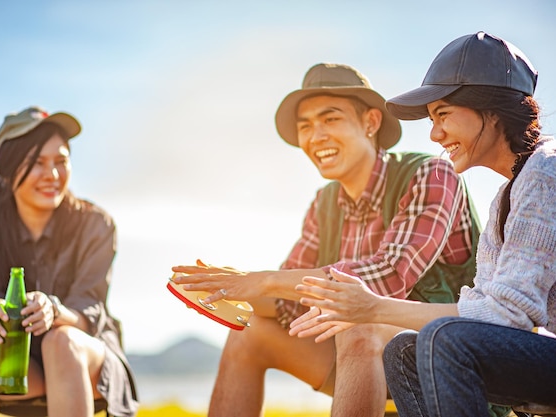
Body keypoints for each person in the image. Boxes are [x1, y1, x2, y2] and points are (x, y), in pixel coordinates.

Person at [171, 63, 481, 417]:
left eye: (330, 119)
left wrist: (265, 280)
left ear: (370, 123)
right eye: (306, 126)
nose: (315, 136)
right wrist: (225, 288)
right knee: (249, 333)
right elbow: (290, 304)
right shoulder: (323, 204)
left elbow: (389, 277)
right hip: (361, 357)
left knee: (358, 320)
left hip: (447, 361)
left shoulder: (430, 173)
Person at [289, 32, 556, 417]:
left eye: (443, 115)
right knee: (405, 350)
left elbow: (508, 317)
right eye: (432, 119)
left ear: (491, 109)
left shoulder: (545, 171)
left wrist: (374, 307)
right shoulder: (506, 197)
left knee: (444, 339)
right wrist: (371, 308)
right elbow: (484, 306)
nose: (434, 134)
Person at [0, 106, 140, 417]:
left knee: (61, 341)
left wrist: (54, 311)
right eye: (36, 163)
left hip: (86, 358)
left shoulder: (95, 224)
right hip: (22, 367)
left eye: (61, 161)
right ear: (9, 169)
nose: (52, 175)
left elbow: (89, 313)